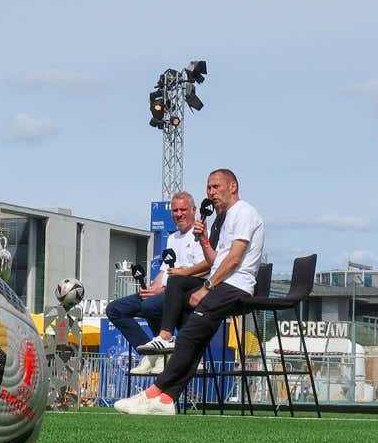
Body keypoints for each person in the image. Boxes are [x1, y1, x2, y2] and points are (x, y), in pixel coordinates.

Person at [116, 168, 263, 415]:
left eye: (216, 187)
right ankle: (166, 396)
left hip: (237, 285)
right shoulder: (223, 218)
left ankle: (153, 393)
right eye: (209, 188)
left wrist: (207, 287)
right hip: (225, 281)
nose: (211, 192)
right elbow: (218, 259)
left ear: (233, 187)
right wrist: (205, 241)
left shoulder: (244, 212)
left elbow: (235, 260)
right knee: (178, 284)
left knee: (190, 333)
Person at [106, 192, 208, 374]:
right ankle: (152, 353)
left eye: (183, 209)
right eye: (175, 210)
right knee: (115, 309)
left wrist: (161, 291)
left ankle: (164, 348)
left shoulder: (200, 235)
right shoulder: (172, 238)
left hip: (184, 291)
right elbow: (164, 271)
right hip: (163, 291)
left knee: (151, 306)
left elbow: (204, 269)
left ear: (194, 210)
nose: (179, 214)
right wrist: (153, 288)